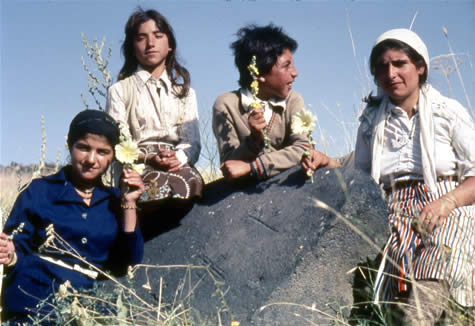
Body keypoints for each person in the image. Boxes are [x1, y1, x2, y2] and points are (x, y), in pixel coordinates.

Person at [354, 28, 475, 324]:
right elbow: (359, 177)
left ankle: (417, 320)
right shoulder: (371, 121)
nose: (391, 73)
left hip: (448, 201)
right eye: (382, 67)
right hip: (392, 206)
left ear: (420, 67)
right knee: (381, 271)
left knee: (445, 239)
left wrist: (447, 202)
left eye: (399, 63)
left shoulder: (447, 112)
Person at [0, 110, 145, 323]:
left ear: (113, 156)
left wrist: (129, 203)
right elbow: (16, 248)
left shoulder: (117, 201)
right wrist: (9, 253)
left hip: (91, 308)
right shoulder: (38, 191)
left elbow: (130, 261)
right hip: (35, 301)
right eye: (84, 148)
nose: (91, 160)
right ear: (70, 144)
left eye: (102, 152)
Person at [107, 8, 203, 204]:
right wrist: (149, 158)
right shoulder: (120, 90)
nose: (150, 44)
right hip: (137, 166)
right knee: (150, 189)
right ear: (132, 48)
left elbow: (192, 141)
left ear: (170, 45)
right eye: (141, 38)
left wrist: (178, 158)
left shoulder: (185, 93)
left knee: (190, 183)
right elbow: (119, 142)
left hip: (176, 165)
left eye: (158, 36)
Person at [213, 24, 325, 182]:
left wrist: (254, 166)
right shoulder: (226, 105)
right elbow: (229, 165)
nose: (295, 72)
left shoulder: (293, 99)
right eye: (286, 66)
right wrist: (254, 141)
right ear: (259, 73)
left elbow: (304, 148)